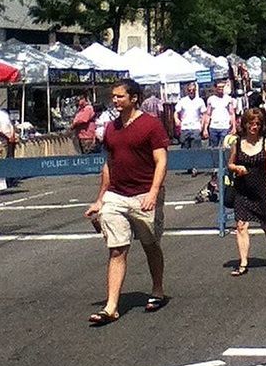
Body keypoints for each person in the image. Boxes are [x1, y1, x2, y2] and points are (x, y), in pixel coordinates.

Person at [84, 79, 170, 325]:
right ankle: (111, 306)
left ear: (134, 98)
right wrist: (100, 199)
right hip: (117, 195)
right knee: (117, 249)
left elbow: (161, 161)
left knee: (150, 245)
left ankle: (157, 290)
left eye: (120, 96)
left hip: (144, 194)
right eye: (113, 96)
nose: (115, 100)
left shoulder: (151, 126)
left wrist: (153, 192)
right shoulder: (111, 128)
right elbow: (109, 165)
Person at [228, 108, 266, 276]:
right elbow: (230, 164)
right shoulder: (238, 143)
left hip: (262, 189)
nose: (254, 127)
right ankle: (243, 262)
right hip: (243, 189)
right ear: (245, 124)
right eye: (251, 123)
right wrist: (236, 167)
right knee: (241, 225)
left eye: (257, 124)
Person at [174, 82, 207, 150]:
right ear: (187, 90)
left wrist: (202, 126)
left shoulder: (200, 101)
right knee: (184, 151)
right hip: (185, 128)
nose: (191, 91)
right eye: (189, 90)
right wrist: (176, 119)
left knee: (196, 150)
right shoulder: (182, 101)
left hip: (196, 128)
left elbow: (204, 114)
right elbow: (176, 112)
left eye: (193, 90)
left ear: (196, 90)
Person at [205, 81, 236, 147]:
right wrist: (205, 128)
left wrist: (234, 127)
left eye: (222, 87)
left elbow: (232, 113)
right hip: (213, 127)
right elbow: (208, 114)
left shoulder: (228, 99)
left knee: (225, 147)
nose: (221, 89)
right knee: (213, 149)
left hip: (225, 127)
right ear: (215, 88)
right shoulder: (211, 99)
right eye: (219, 87)